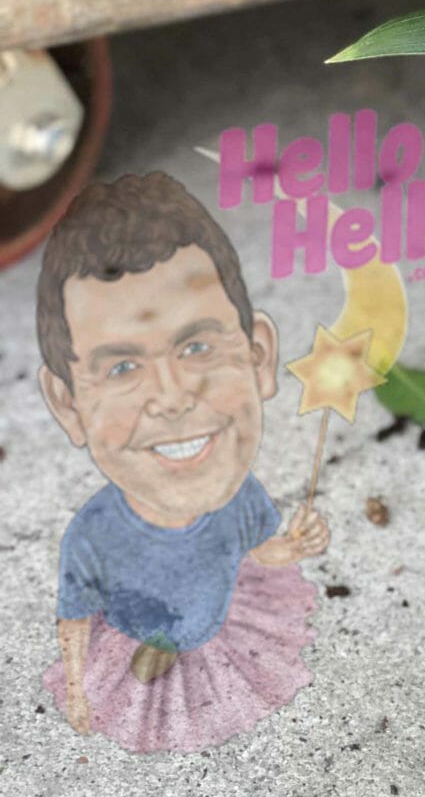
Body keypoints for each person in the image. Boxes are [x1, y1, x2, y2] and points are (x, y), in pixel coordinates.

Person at [35, 171, 326, 753]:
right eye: (121, 367)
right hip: (138, 644)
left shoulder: (242, 495)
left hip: (218, 634)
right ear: (68, 405)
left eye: (196, 346)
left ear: (259, 357)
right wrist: (76, 689)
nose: (171, 397)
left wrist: (287, 550)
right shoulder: (92, 537)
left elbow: (249, 556)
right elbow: (73, 620)